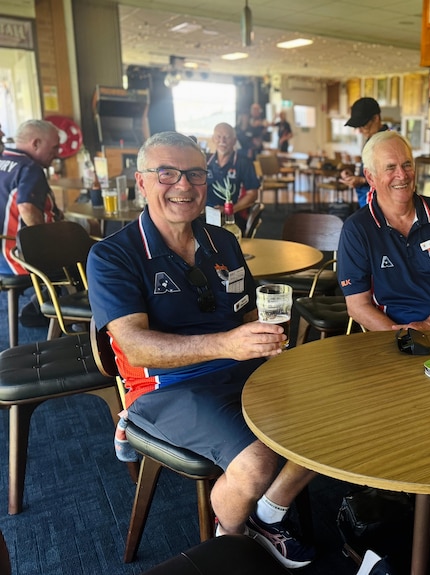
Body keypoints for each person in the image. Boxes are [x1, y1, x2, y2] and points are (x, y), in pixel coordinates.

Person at [87, 131, 316, 570]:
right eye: (167, 173)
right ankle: (231, 538)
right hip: (165, 388)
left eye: (195, 174)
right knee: (257, 461)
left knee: (333, 417)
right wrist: (227, 343)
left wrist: (266, 336)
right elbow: (135, 347)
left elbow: (247, 311)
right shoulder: (113, 256)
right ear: (141, 182)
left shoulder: (222, 242)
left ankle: (268, 513)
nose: (184, 185)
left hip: (241, 368)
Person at [337, 131, 430, 542]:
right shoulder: (358, 228)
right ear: (370, 177)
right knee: (413, 400)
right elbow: (357, 306)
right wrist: (402, 336)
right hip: (390, 335)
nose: (402, 175)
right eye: (390, 168)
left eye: (407, 165)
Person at [0, 119, 63, 275]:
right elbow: (27, 208)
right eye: (54, 148)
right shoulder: (29, 168)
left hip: (3, 260)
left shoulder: (4, 161)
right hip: (20, 261)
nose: (57, 154)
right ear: (36, 144)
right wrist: (45, 249)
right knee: (90, 248)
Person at [206, 122, 260, 232]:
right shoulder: (205, 162)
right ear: (213, 139)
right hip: (207, 216)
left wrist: (229, 210)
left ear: (234, 141)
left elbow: (253, 194)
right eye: (218, 137)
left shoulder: (244, 163)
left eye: (227, 137)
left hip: (234, 217)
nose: (222, 141)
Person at [340, 97, 388, 208]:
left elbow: (389, 175)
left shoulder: (387, 142)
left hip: (380, 204)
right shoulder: (371, 139)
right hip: (366, 199)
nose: (360, 130)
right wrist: (354, 176)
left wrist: (361, 180)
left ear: (376, 118)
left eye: (364, 125)